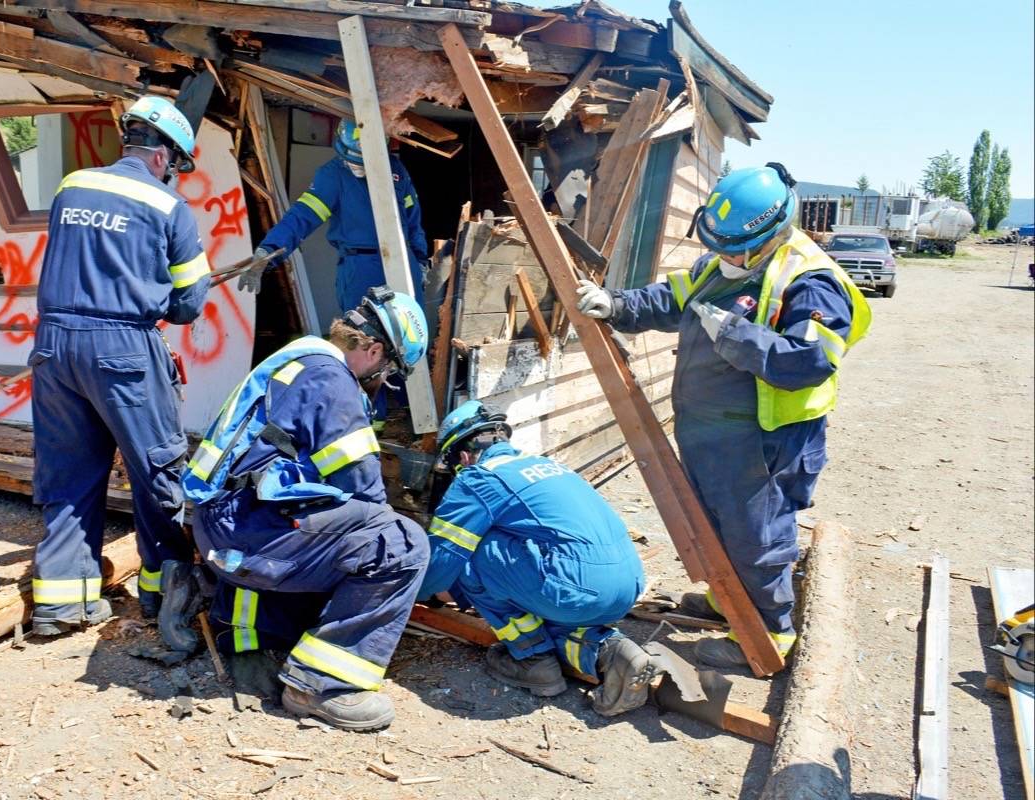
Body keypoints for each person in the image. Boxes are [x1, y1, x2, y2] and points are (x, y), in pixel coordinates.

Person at [575, 162, 872, 669]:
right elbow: (672, 297)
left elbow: (809, 361)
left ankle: (767, 632)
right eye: (717, 246)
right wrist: (617, 304)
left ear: (771, 232)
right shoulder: (724, 265)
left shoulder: (810, 281)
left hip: (766, 440)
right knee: (714, 522)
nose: (722, 258)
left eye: (733, 250)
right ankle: (727, 603)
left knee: (756, 535)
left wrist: (733, 334)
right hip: (713, 431)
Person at [164, 287, 430, 732]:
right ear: (375, 349)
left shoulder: (296, 363)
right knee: (399, 544)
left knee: (333, 532)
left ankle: (206, 588)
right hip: (244, 536)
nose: (381, 382)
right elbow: (365, 494)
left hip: (222, 526)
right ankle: (319, 686)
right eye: (387, 371)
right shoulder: (334, 383)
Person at [27, 96, 211, 637]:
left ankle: (60, 605)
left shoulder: (72, 186)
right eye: (177, 166)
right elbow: (188, 303)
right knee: (156, 470)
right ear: (165, 157)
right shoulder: (169, 208)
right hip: (124, 350)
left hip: (54, 346)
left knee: (68, 474)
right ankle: (163, 599)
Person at [417, 402, 691, 715]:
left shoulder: (480, 478)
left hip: (575, 587)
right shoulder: (550, 466)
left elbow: (442, 559)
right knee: (540, 603)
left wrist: (414, 593)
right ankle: (608, 652)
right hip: (626, 587)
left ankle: (532, 659)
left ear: (462, 456)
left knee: (474, 551)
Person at [237, 119, 428, 312]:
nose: (358, 167)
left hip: (403, 261)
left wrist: (420, 260)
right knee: (363, 338)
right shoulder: (332, 176)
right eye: (353, 160)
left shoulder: (396, 170)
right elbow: (302, 216)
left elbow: (413, 218)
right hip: (361, 267)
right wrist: (268, 251)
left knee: (409, 335)